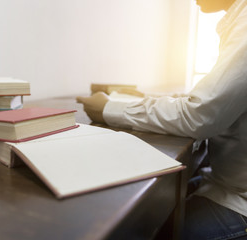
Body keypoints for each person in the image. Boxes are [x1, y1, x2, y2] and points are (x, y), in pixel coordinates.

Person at [77, 0, 247, 239]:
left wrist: (109, 109)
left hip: (238, 201)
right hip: (224, 182)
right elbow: (212, 101)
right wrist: (148, 99)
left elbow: (201, 116)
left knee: (142, 226)